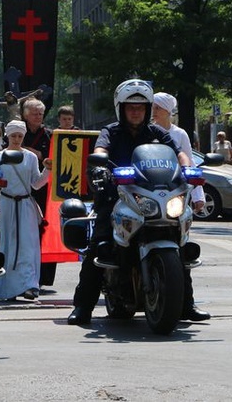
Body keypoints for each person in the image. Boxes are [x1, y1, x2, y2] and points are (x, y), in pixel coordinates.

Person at [67, 79, 196, 326]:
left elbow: (177, 152)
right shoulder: (111, 132)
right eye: (131, 107)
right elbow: (101, 150)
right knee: (100, 244)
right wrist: (100, 165)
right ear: (121, 109)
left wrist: (187, 167)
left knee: (178, 240)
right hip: (117, 196)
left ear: (148, 109)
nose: (136, 111)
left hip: (154, 196)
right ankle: (83, 306)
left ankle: (186, 304)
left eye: (140, 107)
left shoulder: (157, 132)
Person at [150, 92, 210, 321]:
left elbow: (190, 164)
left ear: (168, 111)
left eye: (158, 108)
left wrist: (198, 195)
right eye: (152, 107)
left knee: (181, 248)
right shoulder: (146, 131)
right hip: (148, 195)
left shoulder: (179, 134)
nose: (154, 111)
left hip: (175, 195)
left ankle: (187, 303)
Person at [0, 120, 52, 302]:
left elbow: (36, 183)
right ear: (7, 136)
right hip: (6, 205)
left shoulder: (31, 158)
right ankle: (5, 287)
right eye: (13, 136)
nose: (17, 139)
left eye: (20, 136)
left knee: (28, 245)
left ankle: (29, 285)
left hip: (25, 205)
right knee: (6, 245)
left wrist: (48, 171)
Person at [21, 97, 56, 288]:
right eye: (35, 113)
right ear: (26, 115)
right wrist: (31, 151)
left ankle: (44, 277)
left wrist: (42, 156)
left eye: (41, 114)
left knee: (44, 230)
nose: (38, 117)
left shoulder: (50, 135)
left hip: (44, 190)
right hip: (22, 188)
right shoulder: (18, 132)